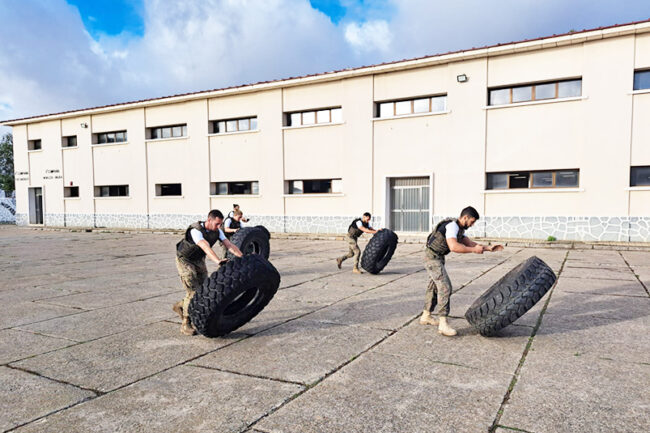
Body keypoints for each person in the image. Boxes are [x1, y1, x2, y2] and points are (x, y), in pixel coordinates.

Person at [420, 206, 503, 337]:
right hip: (431, 258)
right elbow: (454, 246)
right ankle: (443, 324)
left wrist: (488, 248)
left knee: (434, 287)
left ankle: (426, 316)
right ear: (465, 217)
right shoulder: (452, 226)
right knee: (445, 287)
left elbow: (469, 243)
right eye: (472, 221)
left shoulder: (458, 228)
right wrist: (474, 250)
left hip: (437, 257)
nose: (472, 224)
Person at [173, 209, 243, 335]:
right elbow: (205, 246)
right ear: (209, 220)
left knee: (204, 289)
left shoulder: (217, 231)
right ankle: (185, 324)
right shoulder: (196, 230)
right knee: (193, 292)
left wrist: (243, 258)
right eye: (217, 224)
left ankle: (181, 306)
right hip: (185, 260)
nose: (219, 227)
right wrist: (218, 261)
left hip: (198, 260)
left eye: (220, 224)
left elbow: (229, 245)